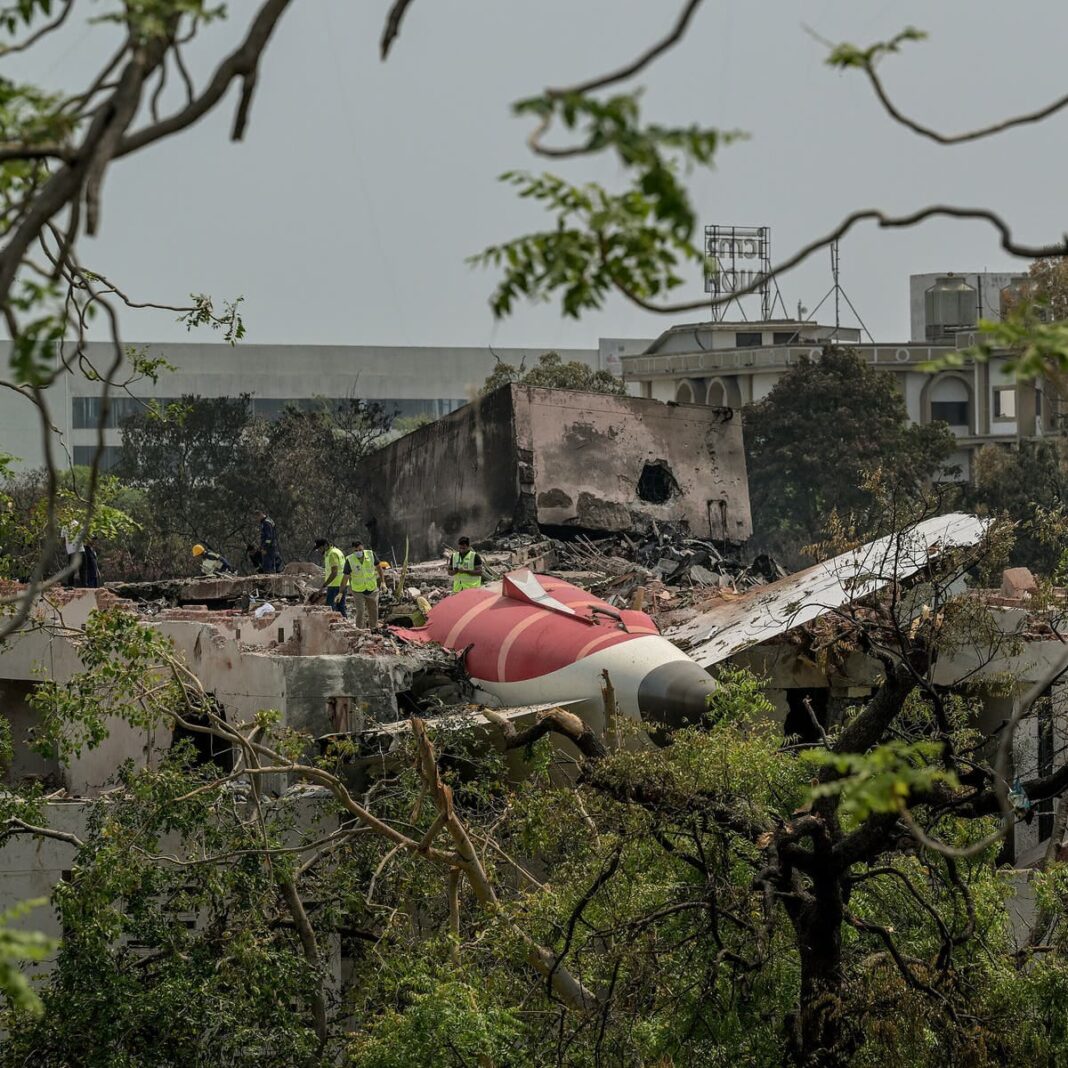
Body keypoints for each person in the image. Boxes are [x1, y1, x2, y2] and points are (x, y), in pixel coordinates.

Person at [341, 539, 384, 629]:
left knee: (373, 611)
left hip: (372, 588)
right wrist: (340, 592)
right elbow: (346, 577)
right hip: (358, 590)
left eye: (360, 550)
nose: (358, 552)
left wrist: (383, 582)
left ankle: (374, 629)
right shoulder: (350, 560)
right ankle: (359, 631)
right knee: (360, 612)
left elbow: (379, 568)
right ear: (353, 550)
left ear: (363, 548)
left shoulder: (371, 554)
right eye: (356, 551)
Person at [313, 537, 346, 614]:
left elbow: (334, 572)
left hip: (335, 585)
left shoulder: (332, 554)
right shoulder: (336, 551)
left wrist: (324, 585)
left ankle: (338, 625)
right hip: (342, 583)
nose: (319, 551)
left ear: (325, 545)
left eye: (319, 548)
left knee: (331, 608)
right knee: (340, 608)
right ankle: (345, 624)